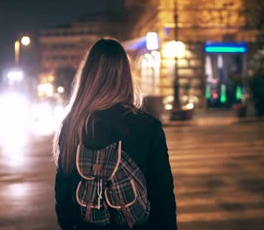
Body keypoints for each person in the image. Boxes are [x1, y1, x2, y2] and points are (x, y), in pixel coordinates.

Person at [54, 38, 177, 230]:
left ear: (87, 77)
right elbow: (163, 198)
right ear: (125, 75)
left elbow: (63, 199)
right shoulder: (147, 126)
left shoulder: (73, 125)